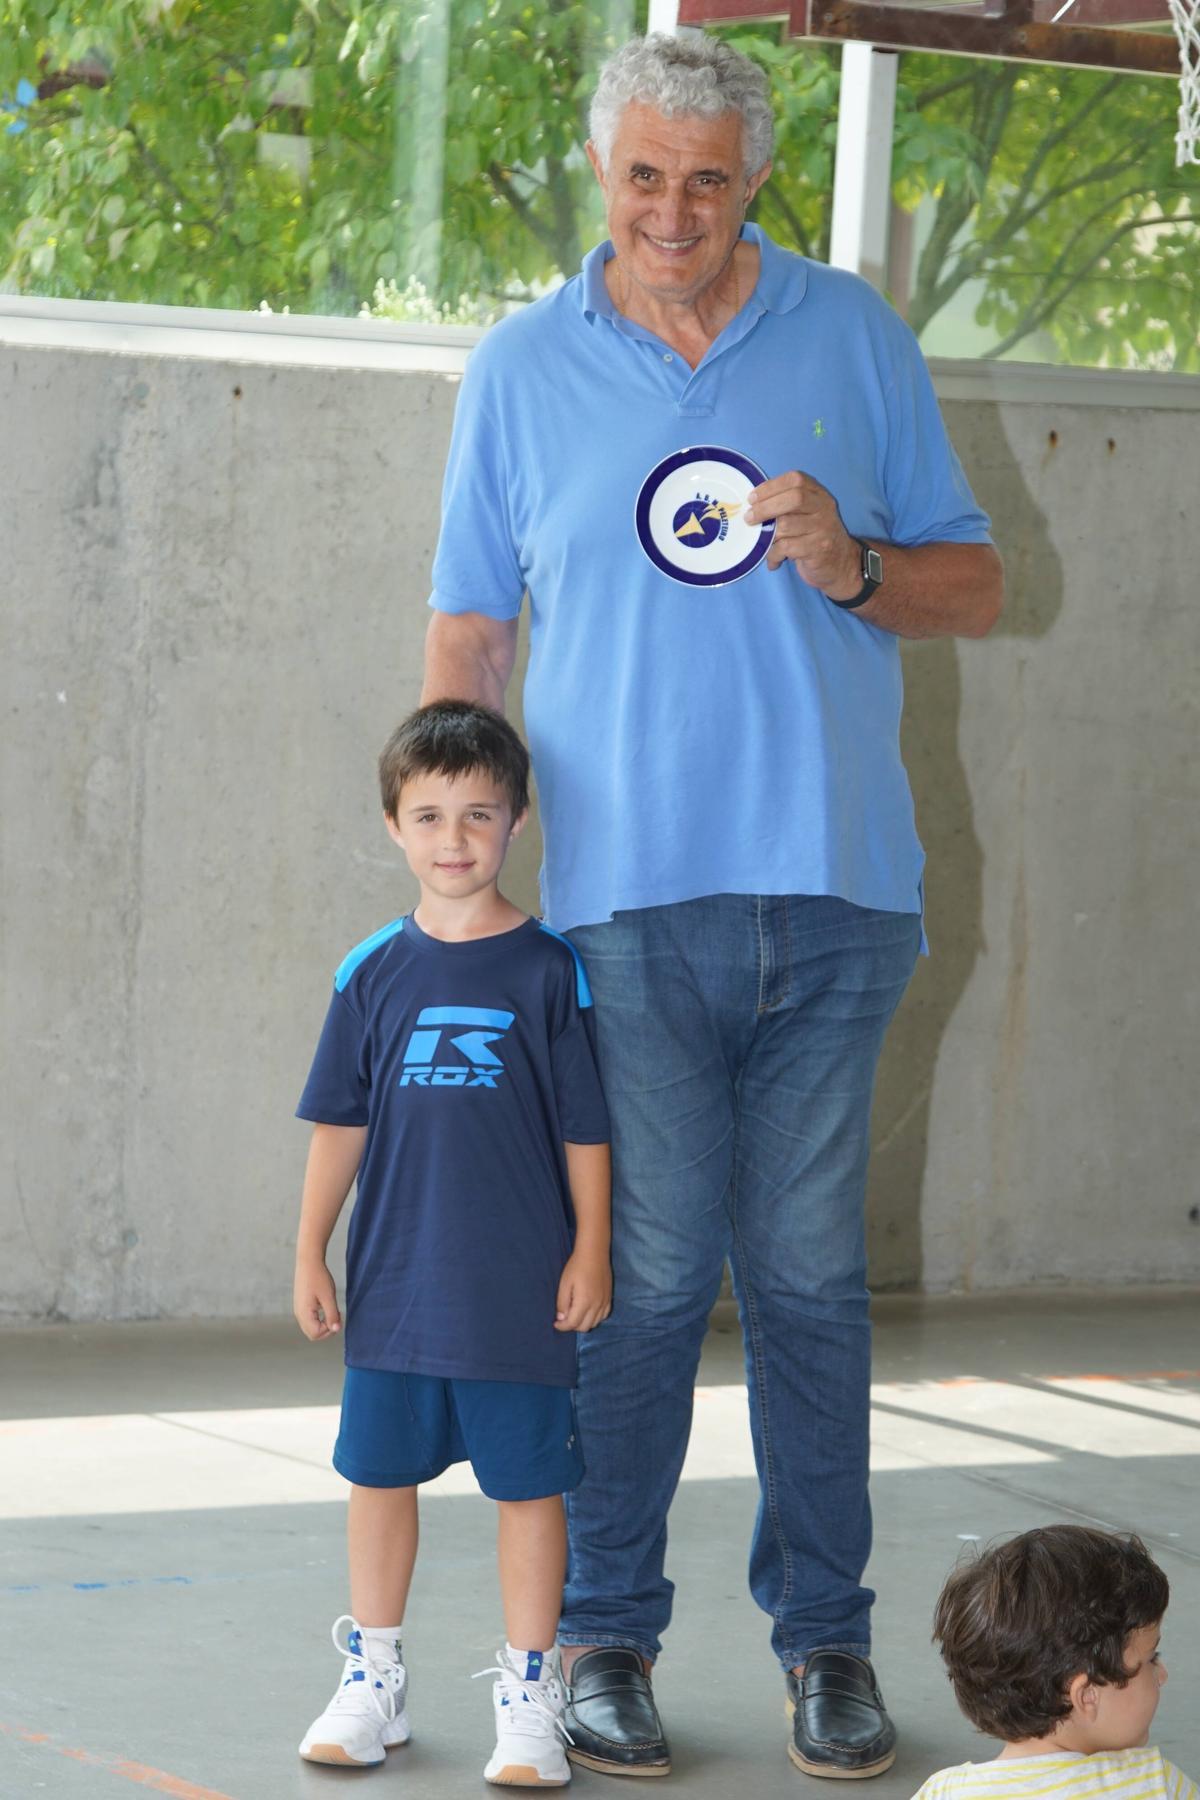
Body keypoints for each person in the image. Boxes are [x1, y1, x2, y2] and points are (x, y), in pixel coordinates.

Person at [421, 30, 1004, 1780]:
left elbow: (974, 583)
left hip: (840, 900)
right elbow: (470, 634)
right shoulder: (521, 371)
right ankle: (606, 1636)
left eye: (709, 178)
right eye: (643, 174)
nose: (672, 209)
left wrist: (859, 563)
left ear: (758, 181)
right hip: (619, 909)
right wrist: (473, 861)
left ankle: (828, 1644)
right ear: (606, 174)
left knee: (815, 1284)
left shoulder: (853, 336)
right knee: (650, 1277)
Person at [292, 699, 612, 1786]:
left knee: (529, 1489)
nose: (455, 839)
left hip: (520, 1287)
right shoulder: (369, 971)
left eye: (479, 814)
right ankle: (371, 1676)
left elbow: (585, 1128)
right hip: (393, 1284)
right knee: (378, 1477)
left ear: (517, 821)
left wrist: (593, 1248)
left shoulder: (550, 969)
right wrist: (308, 1253)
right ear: (394, 826)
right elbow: (340, 1124)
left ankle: (530, 1693)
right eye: (429, 816)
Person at [915, 1524, 1196, 1800]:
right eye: (1151, 1659)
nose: (1162, 1674)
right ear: (1087, 1695)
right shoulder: (1154, 1785)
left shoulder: (943, 1793)